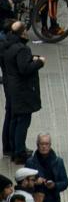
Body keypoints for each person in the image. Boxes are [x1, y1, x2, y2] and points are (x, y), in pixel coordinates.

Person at [0, 21, 44, 163]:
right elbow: (24, 69)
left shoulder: (8, 46)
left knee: (14, 119)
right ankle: (19, 151)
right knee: (23, 121)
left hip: (12, 87)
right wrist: (39, 62)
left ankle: (13, 148)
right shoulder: (22, 49)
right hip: (22, 90)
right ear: (22, 33)